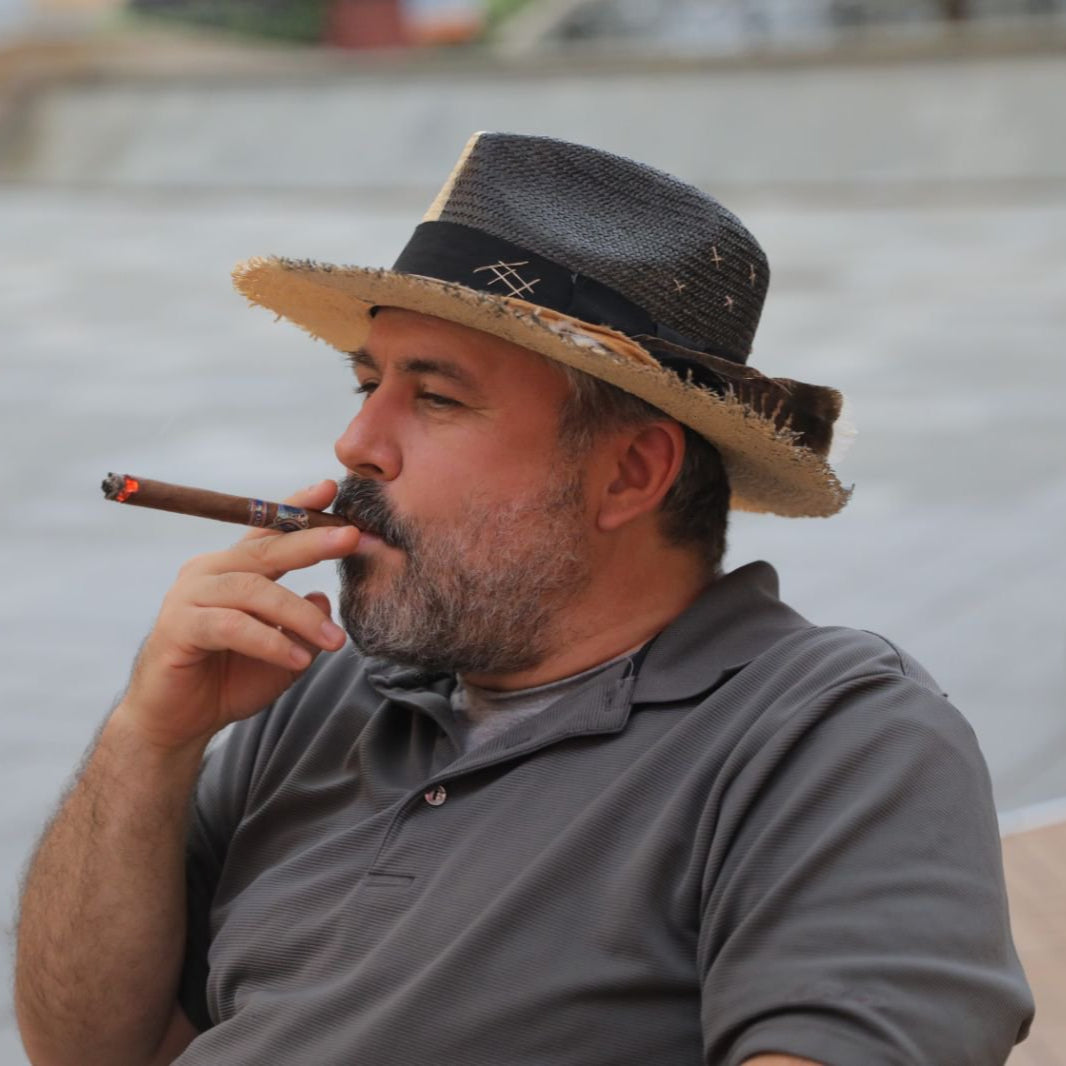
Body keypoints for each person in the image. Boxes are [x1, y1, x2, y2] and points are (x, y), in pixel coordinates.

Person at [15, 132, 1032, 1066]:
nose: (357, 443)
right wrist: (149, 740)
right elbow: (89, 1050)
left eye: (436, 396)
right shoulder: (318, 691)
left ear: (629, 473)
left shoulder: (827, 735)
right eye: (366, 385)